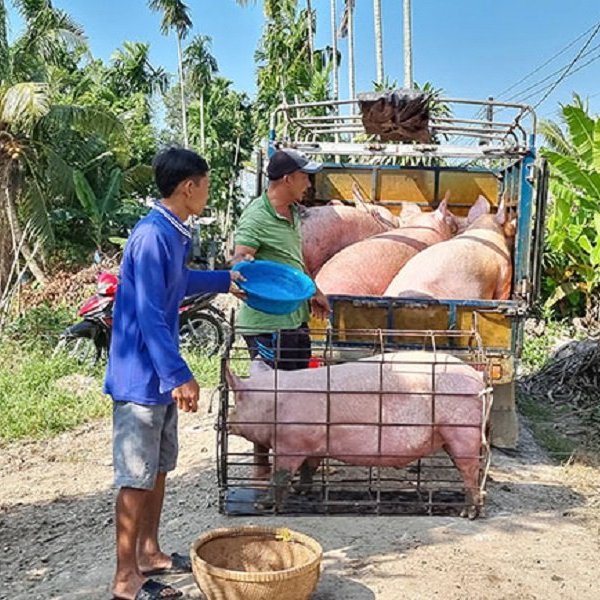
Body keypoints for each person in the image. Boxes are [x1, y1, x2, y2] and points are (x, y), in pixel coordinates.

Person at [104, 147, 243, 600]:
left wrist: (226, 280)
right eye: (205, 184)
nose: (208, 191)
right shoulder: (151, 236)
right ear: (189, 187)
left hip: (156, 378)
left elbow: (177, 282)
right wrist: (178, 373)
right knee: (136, 474)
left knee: (159, 467)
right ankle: (127, 580)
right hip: (140, 377)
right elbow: (149, 312)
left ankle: (149, 553)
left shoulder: (173, 232)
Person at [231, 148, 330, 479]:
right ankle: (262, 468)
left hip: (293, 319)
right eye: (305, 176)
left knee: (296, 395)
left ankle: (295, 463)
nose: (309, 183)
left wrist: (312, 292)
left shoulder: (292, 215)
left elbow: (291, 263)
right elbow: (240, 260)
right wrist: (247, 269)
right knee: (268, 396)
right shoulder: (257, 216)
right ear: (287, 179)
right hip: (266, 322)